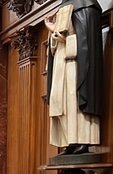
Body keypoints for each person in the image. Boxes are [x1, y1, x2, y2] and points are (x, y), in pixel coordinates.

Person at [45, 0, 103, 154]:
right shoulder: (63, 7)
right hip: (60, 63)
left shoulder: (87, 7)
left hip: (75, 66)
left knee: (74, 101)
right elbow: (54, 44)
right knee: (62, 104)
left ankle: (83, 140)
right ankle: (69, 141)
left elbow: (87, 45)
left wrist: (67, 39)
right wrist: (53, 32)